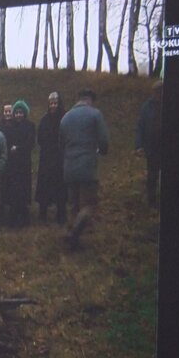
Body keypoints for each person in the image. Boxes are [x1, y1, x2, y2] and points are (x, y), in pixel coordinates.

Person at [59, 89, 109, 250]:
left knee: (73, 205)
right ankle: (73, 232)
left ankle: (73, 243)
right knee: (88, 204)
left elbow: (60, 144)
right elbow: (104, 140)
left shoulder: (65, 117)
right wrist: (102, 151)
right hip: (87, 166)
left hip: (69, 166)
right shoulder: (95, 114)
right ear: (89, 99)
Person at [2, 99, 35, 227]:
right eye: (16, 113)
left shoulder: (30, 126)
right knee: (14, 190)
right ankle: (13, 217)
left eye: (21, 112)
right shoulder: (11, 127)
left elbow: (30, 143)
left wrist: (19, 148)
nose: (18, 115)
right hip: (13, 163)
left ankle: (25, 216)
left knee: (23, 189)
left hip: (24, 162)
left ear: (25, 113)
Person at [35, 91, 67, 224]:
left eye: (55, 103)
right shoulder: (44, 119)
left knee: (60, 187)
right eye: (51, 103)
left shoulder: (65, 119)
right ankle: (42, 214)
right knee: (44, 186)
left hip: (60, 157)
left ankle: (61, 215)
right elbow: (40, 138)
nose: (53, 106)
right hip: (46, 157)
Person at [135, 80, 163, 209]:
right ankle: (151, 202)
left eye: (160, 91)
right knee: (152, 175)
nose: (157, 94)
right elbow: (141, 126)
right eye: (156, 91)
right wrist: (139, 145)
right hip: (152, 147)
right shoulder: (148, 106)